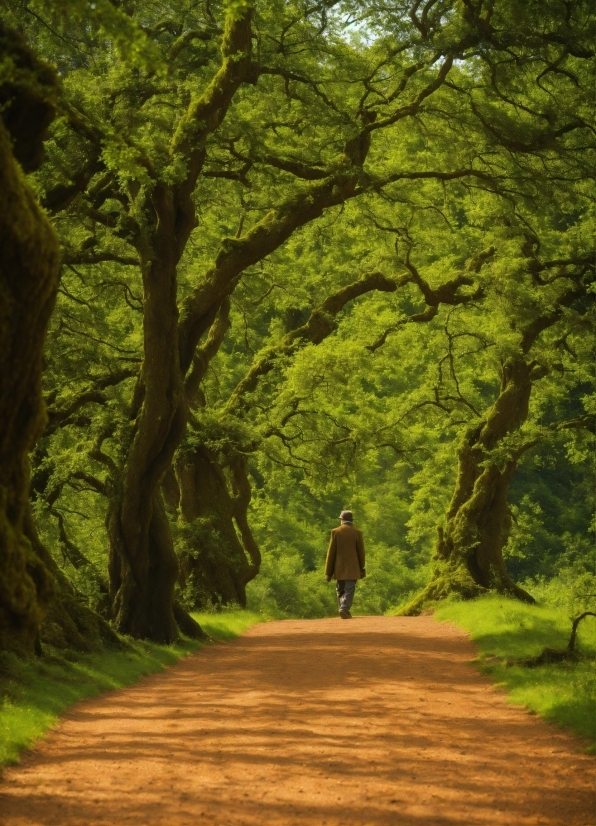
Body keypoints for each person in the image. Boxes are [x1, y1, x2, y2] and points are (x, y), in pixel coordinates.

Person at [325, 510, 366, 619]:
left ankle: (343, 608)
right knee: (349, 588)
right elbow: (361, 553)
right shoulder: (357, 533)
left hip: (339, 567)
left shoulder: (335, 532)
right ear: (351, 520)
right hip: (353, 567)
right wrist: (361, 567)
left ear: (342, 519)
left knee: (340, 589)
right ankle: (344, 609)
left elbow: (331, 553)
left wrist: (328, 572)